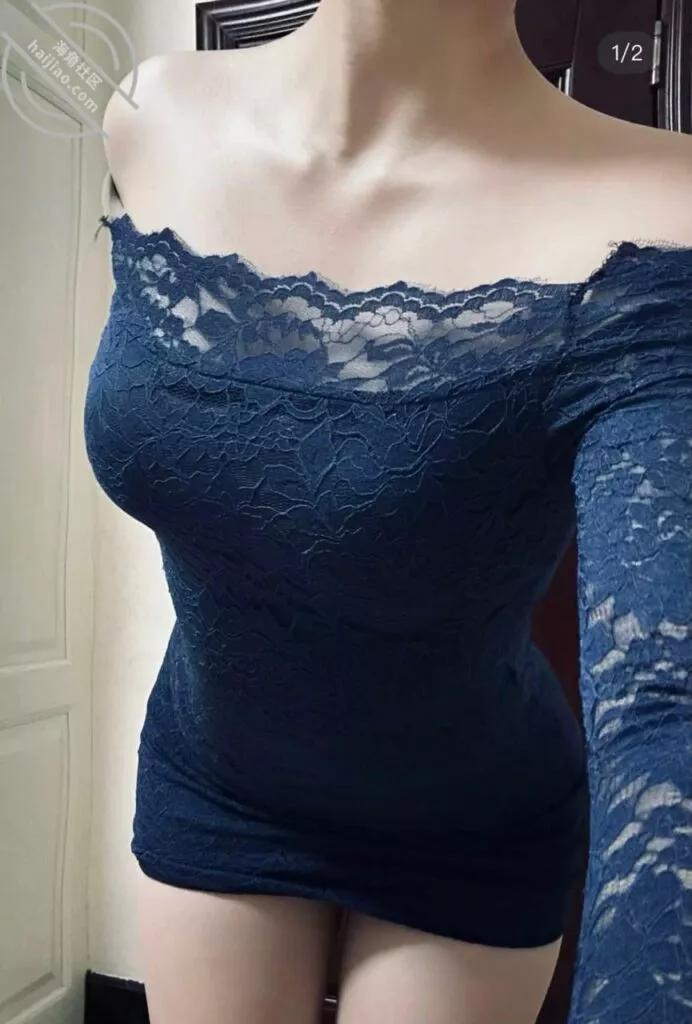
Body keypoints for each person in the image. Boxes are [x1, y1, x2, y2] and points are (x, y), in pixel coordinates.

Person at [86, 1, 692, 1021]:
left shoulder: (662, 207)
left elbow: (664, 698)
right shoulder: (150, 114)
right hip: (212, 778)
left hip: (469, 827)